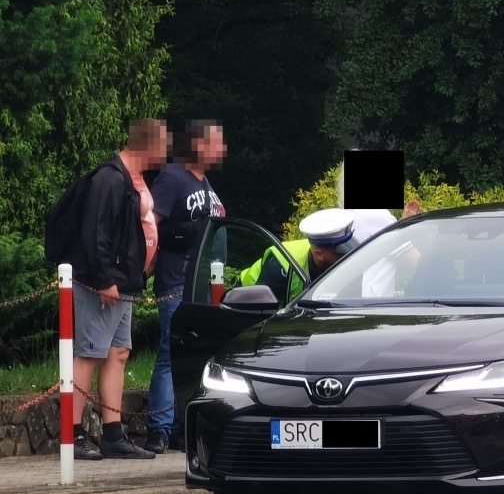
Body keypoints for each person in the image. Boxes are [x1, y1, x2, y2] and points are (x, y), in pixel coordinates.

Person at [70, 118, 170, 460]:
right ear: (148, 145)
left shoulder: (136, 179)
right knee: (88, 353)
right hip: (104, 283)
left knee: (117, 353)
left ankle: (113, 433)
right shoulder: (110, 178)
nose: (164, 154)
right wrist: (103, 279)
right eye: (162, 147)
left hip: (125, 282)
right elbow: (94, 231)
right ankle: (72, 435)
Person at [145, 120, 226, 454]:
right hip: (175, 282)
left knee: (194, 357)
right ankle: (159, 428)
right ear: (197, 145)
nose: (222, 150)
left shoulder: (204, 182)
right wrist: (146, 266)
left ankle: (181, 425)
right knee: (169, 353)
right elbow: (151, 222)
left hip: (201, 286)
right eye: (217, 143)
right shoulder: (173, 178)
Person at [240, 208, 376, 304]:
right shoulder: (281, 264)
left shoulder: (349, 266)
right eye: (342, 254)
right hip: (245, 302)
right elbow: (260, 313)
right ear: (319, 254)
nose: (350, 257)